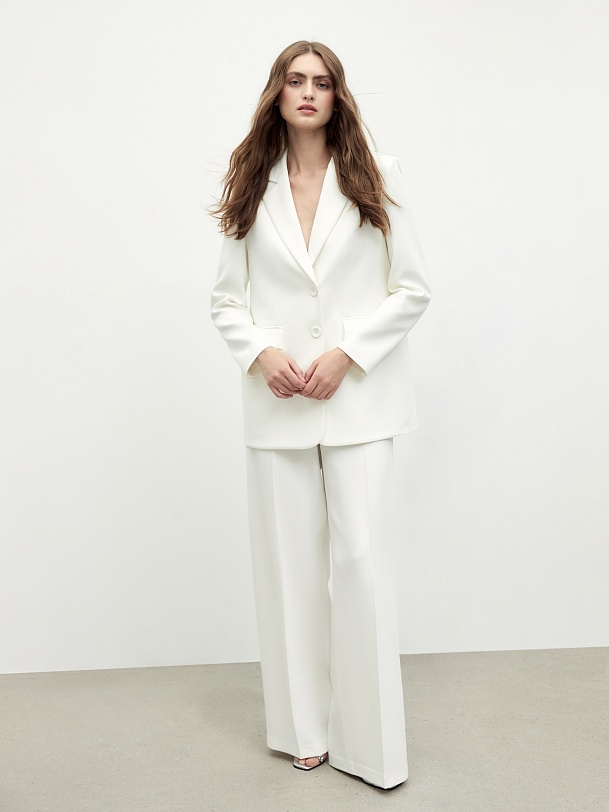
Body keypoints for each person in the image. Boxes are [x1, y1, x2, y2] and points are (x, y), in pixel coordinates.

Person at [210, 40, 431, 790]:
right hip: (276, 404)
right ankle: (302, 730)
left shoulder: (377, 176)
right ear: (277, 93)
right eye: (295, 80)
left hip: (358, 400)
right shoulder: (250, 182)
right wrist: (261, 353)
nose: (308, 92)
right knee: (289, 571)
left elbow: (412, 288)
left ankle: (370, 745)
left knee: (362, 564)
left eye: (323, 82)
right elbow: (225, 300)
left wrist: (348, 355)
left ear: (337, 97)